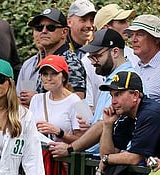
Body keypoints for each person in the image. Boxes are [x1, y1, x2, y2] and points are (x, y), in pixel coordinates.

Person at [49, 29, 136, 159]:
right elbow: (105, 122)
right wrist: (91, 122)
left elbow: (103, 125)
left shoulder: (124, 80)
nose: (93, 62)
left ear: (115, 52)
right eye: (91, 57)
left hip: (113, 160)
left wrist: (70, 148)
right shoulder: (112, 78)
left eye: (97, 56)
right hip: (102, 157)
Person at [17, 7, 86, 107]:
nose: (44, 31)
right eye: (39, 28)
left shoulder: (70, 61)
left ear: (64, 32)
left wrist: (37, 99)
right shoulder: (42, 60)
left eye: (51, 28)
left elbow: (78, 101)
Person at [84, 3, 137, 109]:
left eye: (127, 21)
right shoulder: (86, 61)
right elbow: (88, 104)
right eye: (122, 21)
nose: (128, 26)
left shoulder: (136, 55)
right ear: (106, 28)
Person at [126, 14, 160, 106]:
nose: (133, 40)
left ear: (157, 39)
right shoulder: (138, 66)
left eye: (140, 34)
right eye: (132, 35)